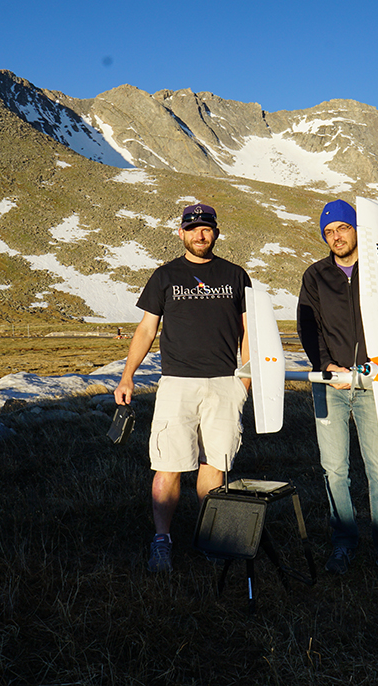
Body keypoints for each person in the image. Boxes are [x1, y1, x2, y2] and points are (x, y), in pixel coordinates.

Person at [296, 199, 378, 581]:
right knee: (334, 470)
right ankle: (343, 541)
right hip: (332, 385)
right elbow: (308, 325)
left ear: (357, 229)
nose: (336, 236)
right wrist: (326, 365)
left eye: (343, 228)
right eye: (328, 232)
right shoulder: (315, 275)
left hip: (376, 384)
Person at [114, 203, 252, 572]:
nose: (200, 235)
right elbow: (147, 329)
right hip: (177, 384)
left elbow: (248, 332)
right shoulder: (165, 276)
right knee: (168, 463)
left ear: (216, 232)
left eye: (206, 228)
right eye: (192, 229)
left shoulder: (236, 275)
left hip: (225, 383)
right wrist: (127, 376)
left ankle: (211, 537)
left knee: (215, 463)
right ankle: (162, 540)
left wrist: (246, 379)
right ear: (181, 233)